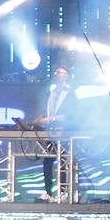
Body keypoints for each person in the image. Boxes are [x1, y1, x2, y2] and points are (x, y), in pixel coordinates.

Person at [32, 65, 77, 202]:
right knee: (48, 160)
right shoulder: (50, 93)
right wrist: (36, 122)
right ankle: (48, 192)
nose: (57, 74)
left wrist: (51, 119)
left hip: (64, 132)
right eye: (56, 72)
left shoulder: (71, 94)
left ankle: (63, 192)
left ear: (67, 77)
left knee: (64, 160)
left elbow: (71, 116)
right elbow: (46, 112)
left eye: (61, 73)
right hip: (50, 132)